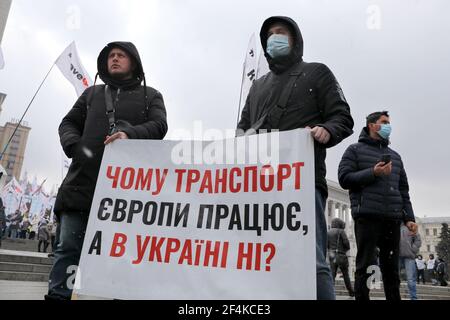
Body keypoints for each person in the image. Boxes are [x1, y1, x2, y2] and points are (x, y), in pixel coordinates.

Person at [236, 16, 354, 300]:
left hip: (301, 183)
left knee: (310, 261)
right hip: (259, 185)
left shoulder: (317, 73)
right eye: (270, 34)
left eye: (281, 33)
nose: (275, 37)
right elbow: (243, 127)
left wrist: (327, 130)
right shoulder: (258, 86)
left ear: (295, 40)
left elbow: (342, 117)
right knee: (259, 258)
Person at [46, 41, 168, 300]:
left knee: (124, 256)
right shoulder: (91, 94)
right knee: (68, 249)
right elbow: (68, 122)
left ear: (133, 61)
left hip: (126, 194)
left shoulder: (152, 96)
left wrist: (130, 134)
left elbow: (159, 126)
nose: (114, 59)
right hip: (82, 186)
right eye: (111, 55)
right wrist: (75, 145)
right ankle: (58, 297)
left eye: (121, 55)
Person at [338, 111, 418, 301]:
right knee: (365, 266)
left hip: (392, 218)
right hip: (367, 217)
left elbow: (403, 190)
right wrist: (373, 172)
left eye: (389, 123)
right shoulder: (354, 150)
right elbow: (344, 178)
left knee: (392, 270)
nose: (388, 126)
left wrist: (409, 218)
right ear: (371, 125)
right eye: (384, 122)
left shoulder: (395, 157)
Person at [327, 218, 355, 297]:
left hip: (332, 256)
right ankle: (351, 292)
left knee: (332, 275)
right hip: (341, 255)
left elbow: (327, 245)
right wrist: (344, 250)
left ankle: (331, 292)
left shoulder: (328, 232)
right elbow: (346, 243)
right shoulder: (341, 231)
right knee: (346, 275)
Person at [399, 223, 422, 300]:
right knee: (394, 278)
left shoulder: (410, 226)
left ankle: (413, 297)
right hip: (397, 256)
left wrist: (413, 249)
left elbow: (418, 240)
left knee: (410, 279)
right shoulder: (394, 225)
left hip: (409, 256)